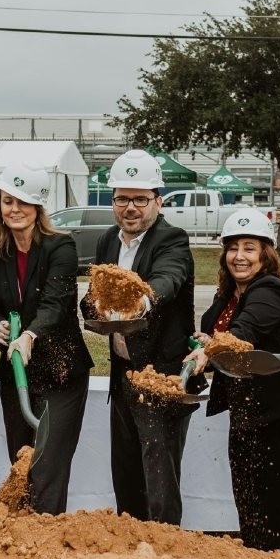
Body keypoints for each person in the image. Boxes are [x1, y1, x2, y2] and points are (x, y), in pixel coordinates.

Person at [187, 211, 280, 552]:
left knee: (274, 505)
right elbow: (215, 342)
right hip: (249, 410)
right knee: (248, 498)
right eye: (233, 248)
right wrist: (201, 351)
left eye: (250, 248)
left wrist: (214, 346)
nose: (240, 256)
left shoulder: (269, 290)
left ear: (266, 255)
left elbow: (244, 330)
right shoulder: (225, 298)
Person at [81, 148, 198, 525]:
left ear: (158, 201)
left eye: (140, 199)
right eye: (122, 198)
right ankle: (130, 555)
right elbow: (94, 293)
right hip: (124, 375)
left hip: (161, 376)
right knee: (127, 472)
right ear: (112, 200)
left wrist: (140, 302)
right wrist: (90, 309)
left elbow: (168, 278)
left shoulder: (172, 239)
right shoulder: (107, 243)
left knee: (160, 480)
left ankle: (164, 555)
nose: (130, 207)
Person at [0, 163, 92, 514]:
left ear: (38, 207)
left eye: (23, 203)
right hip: (17, 371)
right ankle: (22, 540)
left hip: (61, 371)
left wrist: (29, 334)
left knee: (47, 465)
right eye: (7, 201)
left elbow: (55, 304)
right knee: (21, 460)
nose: (14, 210)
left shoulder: (61, 248)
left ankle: (46, 539)